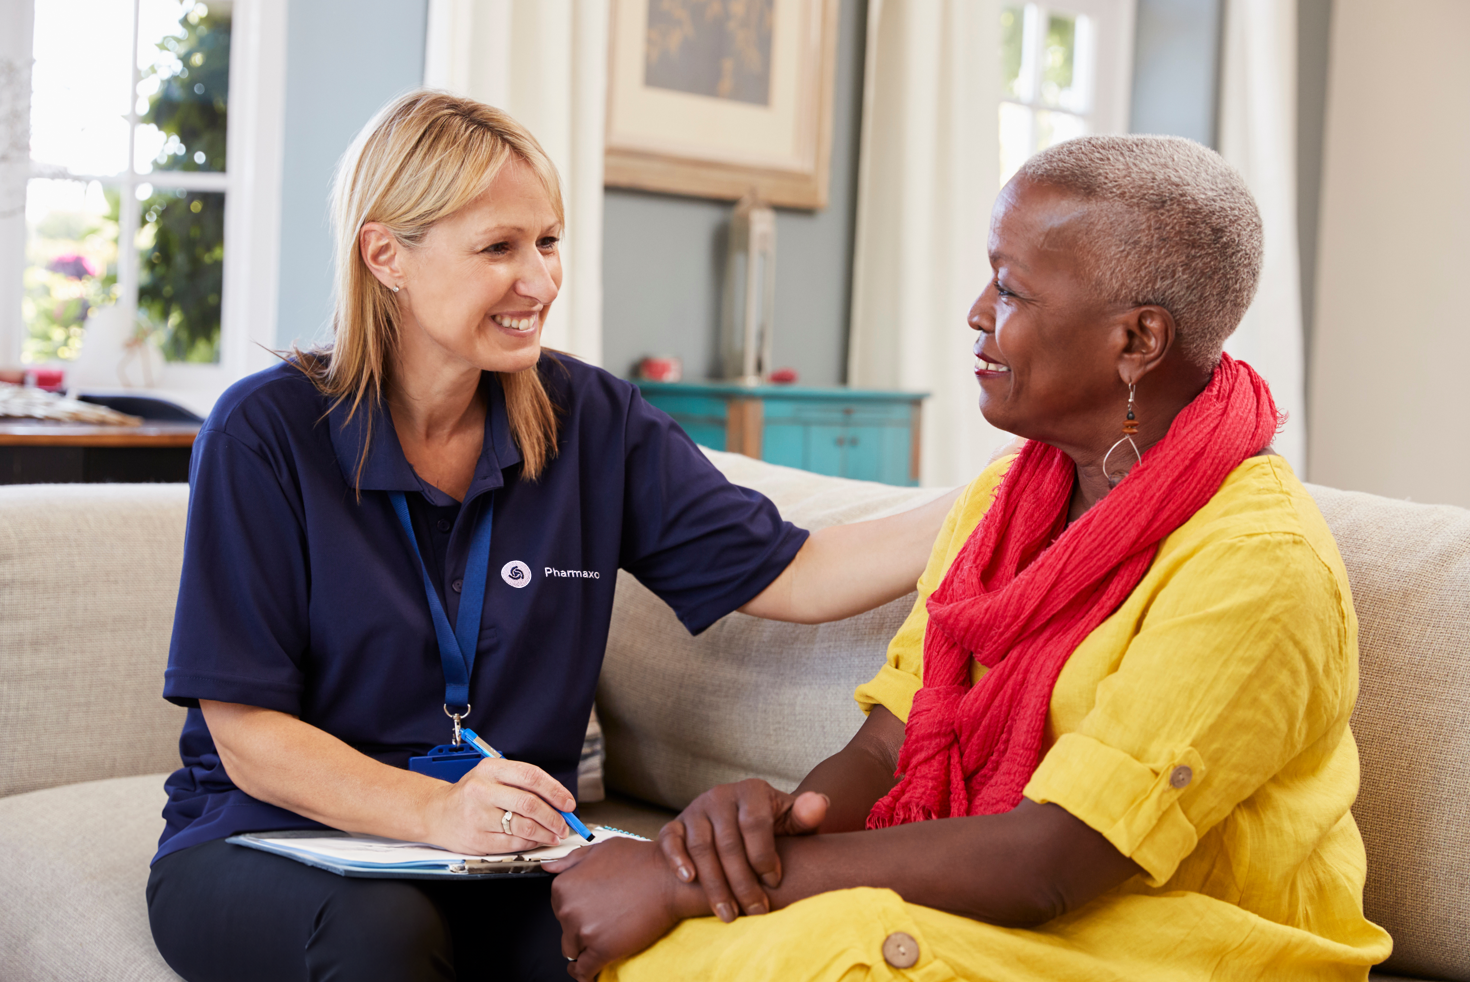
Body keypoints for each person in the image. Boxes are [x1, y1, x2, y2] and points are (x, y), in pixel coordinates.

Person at [143, 91, 960, 982]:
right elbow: (247, 733)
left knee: (657, 946)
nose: (539, 280)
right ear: (386, 255)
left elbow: (797, 571)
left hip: (502, 858)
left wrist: (1008, 491)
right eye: (498, 247)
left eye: (548, 241)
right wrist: (435, 812)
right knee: (381, 935)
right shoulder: (264, 432)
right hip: (274, 842)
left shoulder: (592, 418)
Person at [547, 135, 1395, 981]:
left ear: (1138, 341)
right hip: (1030, 920)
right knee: (690, 947)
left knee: (807, 956)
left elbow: (1052, 863)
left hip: (1180, 945)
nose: (979, 311)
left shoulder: (1259, 565)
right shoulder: (1003, 502)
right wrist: (767, 834)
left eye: (1013, 288)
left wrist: (684, 881)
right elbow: (887, 750)